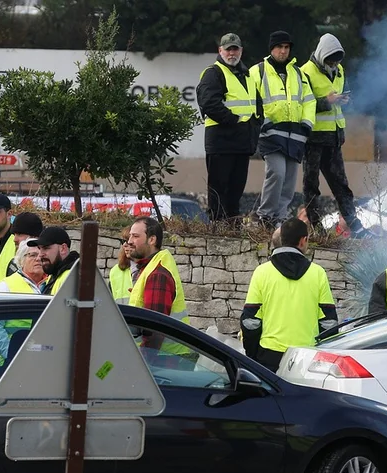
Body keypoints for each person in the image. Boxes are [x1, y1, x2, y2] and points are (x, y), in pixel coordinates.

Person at [242, 217, 337, 372]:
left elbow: (250, 321)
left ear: (282, 239)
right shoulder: (318, 273)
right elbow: (329, 323)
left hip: (268, 357)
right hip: (307, 358)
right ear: (303, 240)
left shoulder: (262, 272)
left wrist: (253, 357)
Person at [301, 33, 370, 239]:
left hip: (334, 138)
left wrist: (344, 99)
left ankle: (354, 226)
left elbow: (345, 90)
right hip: (313, 139)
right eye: (330, 60)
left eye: (337, 60)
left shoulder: (339, 70)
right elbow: (303, 104)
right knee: (311, 185)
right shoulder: (305, 72)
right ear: (322, 55)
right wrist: (327, 101)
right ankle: (316, 226)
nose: (334, 64)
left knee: (341, 185)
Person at [251, 31, 316, 228]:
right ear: (271, 48)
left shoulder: (298, 73)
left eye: (286, 47)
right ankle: (266, 215)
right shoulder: (258, 71)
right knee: (276, 173)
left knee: (289, 181)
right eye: (280, 47)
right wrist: (264, 122)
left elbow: (309, 100)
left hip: (295, 135)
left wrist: (307, 124)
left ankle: (278, 218)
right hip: (270, 134)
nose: (283, 51)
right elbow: (252, 99)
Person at [196, 32, 261, 223]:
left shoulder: (246, 74)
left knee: (236, 190)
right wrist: (234, 121)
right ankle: (218, 227)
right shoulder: (213, 73)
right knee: (219, 190)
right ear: (220, 50)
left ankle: (232, 226)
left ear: (241, 50)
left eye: (235, 49)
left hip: (241, 143)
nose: (232, 53)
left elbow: (256, 105)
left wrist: (255, 125)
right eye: (228, 49)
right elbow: (209, 103)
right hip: (221, 142)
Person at [127, 217, 190, 352]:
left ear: (152, 240)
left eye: (135, 236)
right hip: (168, 357)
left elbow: (155, 330)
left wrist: (142, 362)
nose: (129, 241)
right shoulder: (152, 266)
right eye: (130, 236)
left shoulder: (157, 274)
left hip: (164, 360)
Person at [33, 227, 79, 295]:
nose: (40, 255)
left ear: (63, 248)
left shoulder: (71, 277)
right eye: (39, 248)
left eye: (46, 248)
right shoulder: (55, 273)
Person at [6, 212, 43, 276]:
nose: (14, 239)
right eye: (14, 234)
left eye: (19, 234)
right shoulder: (13, 263)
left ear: (34, 237)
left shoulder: (45, 264)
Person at [109, 227, 136, 304]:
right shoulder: (115, 271)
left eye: (129, 241)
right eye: (123, 241)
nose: (125, 245)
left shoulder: (149, 268)